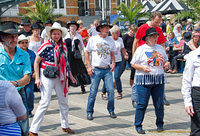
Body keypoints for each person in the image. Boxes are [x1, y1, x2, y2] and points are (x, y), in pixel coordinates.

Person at [29, 22, 77, 136]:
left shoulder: (63, 46)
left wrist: (70, 76)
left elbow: (66, 62)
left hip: (61, 75)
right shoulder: (46, 45)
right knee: (45, 102)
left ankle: (65, 125)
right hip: (47, 75)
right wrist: (37, 77)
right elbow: (36, 61)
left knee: (64, 101)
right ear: (50, 34)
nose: (56, 35)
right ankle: (33, 130)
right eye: (54, 33)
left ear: (61, 34)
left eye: (58, 33)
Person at [131, 27, 170, 134]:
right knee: (142, 104)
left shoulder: (160, 48)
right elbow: (133, 63)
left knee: (159, 104)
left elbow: (166, 59)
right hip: (144, 80)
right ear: (147, 38)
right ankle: (138, 125)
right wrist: (142, 68)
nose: (155, 38)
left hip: (158, 80)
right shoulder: (141, 49)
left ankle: (160, 124)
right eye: (152, 36)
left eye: (156, 36)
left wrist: (167, 63)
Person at [0, 22, 32, 136]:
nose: (14, 39)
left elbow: (27, 78)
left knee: (23, 124)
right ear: (3, 38)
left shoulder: (24, 55)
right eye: (10, 36)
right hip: (1, 95)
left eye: (15, 36)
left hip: (19, 93)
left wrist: (14, 84)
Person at [132, 12, 169, 106]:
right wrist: (134, 56)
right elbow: (135, 41)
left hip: (154, 55)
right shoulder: (142, 28)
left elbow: (162, 44)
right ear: (152, 19)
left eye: (159, 22)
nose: (158, 24)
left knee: (159, 75)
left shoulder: (158, 30)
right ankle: (135, 98)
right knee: (139, 78)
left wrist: (165, 58)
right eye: (156, 22)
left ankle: (162, 97)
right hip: (142, 55)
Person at [85, 20, 116, 120]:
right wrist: (89, 66)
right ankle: (89, 111)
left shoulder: (110, 40)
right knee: (93, 92)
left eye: (108, 28)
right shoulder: (93, 39)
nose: (107, 30)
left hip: (107, 69)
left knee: (111, 90)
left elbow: (112, 53)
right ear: (100, 29)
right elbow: (86, 52)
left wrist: (113, 63)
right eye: (105, 28)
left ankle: (111, 110)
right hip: (96, 69)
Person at [101, 25, 128, 100]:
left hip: (118, 61)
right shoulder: (108, 39)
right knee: (107, 77)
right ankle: (104, 92)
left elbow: (123, 49)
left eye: (119, 32)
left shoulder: (120, 39)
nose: (118, 34)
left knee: (116, 77)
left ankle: (120, 92)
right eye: (116, 33)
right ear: (112, 33)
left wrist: (125, 54)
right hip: (109, 61)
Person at [64, 20, 91, 94]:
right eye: (71, 26)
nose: (73, 28)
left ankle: (82, 86)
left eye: (74, 26)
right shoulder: (65, 35)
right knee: (68, 70)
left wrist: (87, 52)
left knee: (79, 69)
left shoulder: (78, 36)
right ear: (69, 27)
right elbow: (63, 45)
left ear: (76, 27)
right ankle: (67, 87)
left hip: (76, 54)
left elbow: (82, 46)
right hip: (68, 54)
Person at [181, 39, 200, 136]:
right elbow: (187, 80)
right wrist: (187, 101)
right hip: (197, 93)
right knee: (197, 128)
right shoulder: (194, 55)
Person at [18, 34, 36, 118]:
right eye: (22, 43)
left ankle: (29, 110)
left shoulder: (32, 53)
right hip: (20, 77)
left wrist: (36, 72)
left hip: (30, 76)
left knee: (29, 94)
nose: (24, 44)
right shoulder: (16, 53)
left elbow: (36, 63)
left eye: (26, 42)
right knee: (20, 95)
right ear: (19, 44)